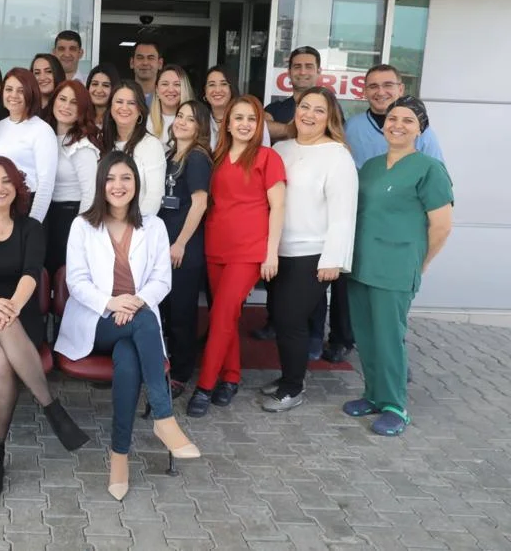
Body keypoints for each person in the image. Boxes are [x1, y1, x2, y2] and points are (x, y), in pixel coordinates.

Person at [56, 151, 200, 501]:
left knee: (129, 360)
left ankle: (119, 457)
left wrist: (133, 302)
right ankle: (164, 418)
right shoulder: (82, 225)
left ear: (136, 184)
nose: (118, 186)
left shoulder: (154, 226)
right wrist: (112, 303)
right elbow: (76, 281)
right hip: (96, 321)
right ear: (100, 184)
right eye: (110, 179)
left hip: (134, 320)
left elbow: (161, 280)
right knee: (144, 322)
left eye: (126, 178)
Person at [0, 156, 90, 500]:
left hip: (19, 312)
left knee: (3, 357)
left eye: (7, 181)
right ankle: (51, 407)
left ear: (18, 188)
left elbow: (32, 274)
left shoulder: (31, 228)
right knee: (4, 332)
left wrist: (10, 306)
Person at [343, 96, 453, 436]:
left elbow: (441, 226)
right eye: (393, 118)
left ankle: (395, 405)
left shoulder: (429, 169)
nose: (398, 125)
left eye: (407, 120)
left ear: (420, 129)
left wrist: (420, 263)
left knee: (389, 337)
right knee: (366, 335)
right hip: (361, 264)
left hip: (396, 267)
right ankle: (374, 395)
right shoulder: (371, 166)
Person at [188, 96, 285, 418]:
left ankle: (204, 386)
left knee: (220, 315)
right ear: (227, 123)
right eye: (239, 118)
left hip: (249, 250)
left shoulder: (268, 157)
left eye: (252, 119)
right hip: (216, 246)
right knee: (225, 315)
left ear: (259, 126)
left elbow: (279, 207)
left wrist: (271, 253)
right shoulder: (215, 157)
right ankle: (230, 377)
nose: (245, 124)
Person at [261, 87, 357, 412]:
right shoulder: (282, 148)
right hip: (278, 250)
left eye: (319, 110)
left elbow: (343, 214)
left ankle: (293, 387)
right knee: (280, 317)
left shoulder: (337, 155)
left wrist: (333, 259)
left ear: (330, 118)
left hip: (313, 254)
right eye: (305, 106)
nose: (309, 115)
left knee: (292, 319)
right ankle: (289, 375)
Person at [158, 100, 213, 399]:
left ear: (200, 126)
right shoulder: (170, 155)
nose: (181, 122)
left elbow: (200, 203)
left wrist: (180, 242)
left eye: (190, 119)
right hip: (165, 247)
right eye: (180, 116)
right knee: (165, 310)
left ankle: (180, 374)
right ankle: (166, 365)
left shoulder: (197, 157)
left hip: (184, 249)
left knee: (181, 314)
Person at [44, 79, 101, 276]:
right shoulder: (45, 135)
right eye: (62, 99)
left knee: (64, 277)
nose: (66, 106)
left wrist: (80, 231)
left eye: (74, 102)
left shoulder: (82, 145)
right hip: (47, 214)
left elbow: (90, 194)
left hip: (70, 217)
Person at [0, 68, 59, 223]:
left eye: (21, 91)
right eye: (9, 89)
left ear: (31, 93)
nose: (13, 95)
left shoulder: (42, 130)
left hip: (28, 205)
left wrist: (34, 223)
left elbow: (46, 184)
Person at [346, 64, 445, 169]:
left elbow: (437, 173)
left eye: (388, 85)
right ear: (365, 91)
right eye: (373, 86)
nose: (381, 92)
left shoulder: (419, 128)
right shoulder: (351, 127)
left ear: (401, 89)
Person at [101, 80, 166, 217]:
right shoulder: (101, 141)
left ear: (140, 110)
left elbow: (155, 196)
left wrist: (133, 226)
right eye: (119, 102)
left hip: (137, 224)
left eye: (131, 103)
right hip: (103, 224)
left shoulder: (151, 145)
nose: (124, 107)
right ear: (110, 107)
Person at [203, 66, 271, 149]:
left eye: (224, 84)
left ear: (232, 88)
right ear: (205, 91)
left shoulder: (253, 119)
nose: (217, 90)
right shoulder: (198, 121)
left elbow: (265, 152)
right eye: (211, 85)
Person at [265, 46, 321, 143]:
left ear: (318, 72)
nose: (302, 72)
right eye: (297, 67)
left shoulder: (330, 107)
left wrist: (283, 133)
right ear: (289, 73)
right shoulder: (274, 109)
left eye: (309, 67)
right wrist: (290, 129)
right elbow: (260, 127)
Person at [149, 65, 194, 149]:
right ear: (157, 89)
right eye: (165, 84)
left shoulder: (197, 121)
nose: (170, 90)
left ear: (184, 88)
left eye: (177, 84)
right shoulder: (145, 122)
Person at [129, 41, 163, 105]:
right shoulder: (121, 96)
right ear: (132, 63)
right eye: (140, 58)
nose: (145, 63)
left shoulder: (168, 98)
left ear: (160, 63)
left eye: (151, 58)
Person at [87, 63, 120, 129]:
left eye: (105, 85)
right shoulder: (80, 117)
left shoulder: (119, 120)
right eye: (95, 84)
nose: (99, 90)